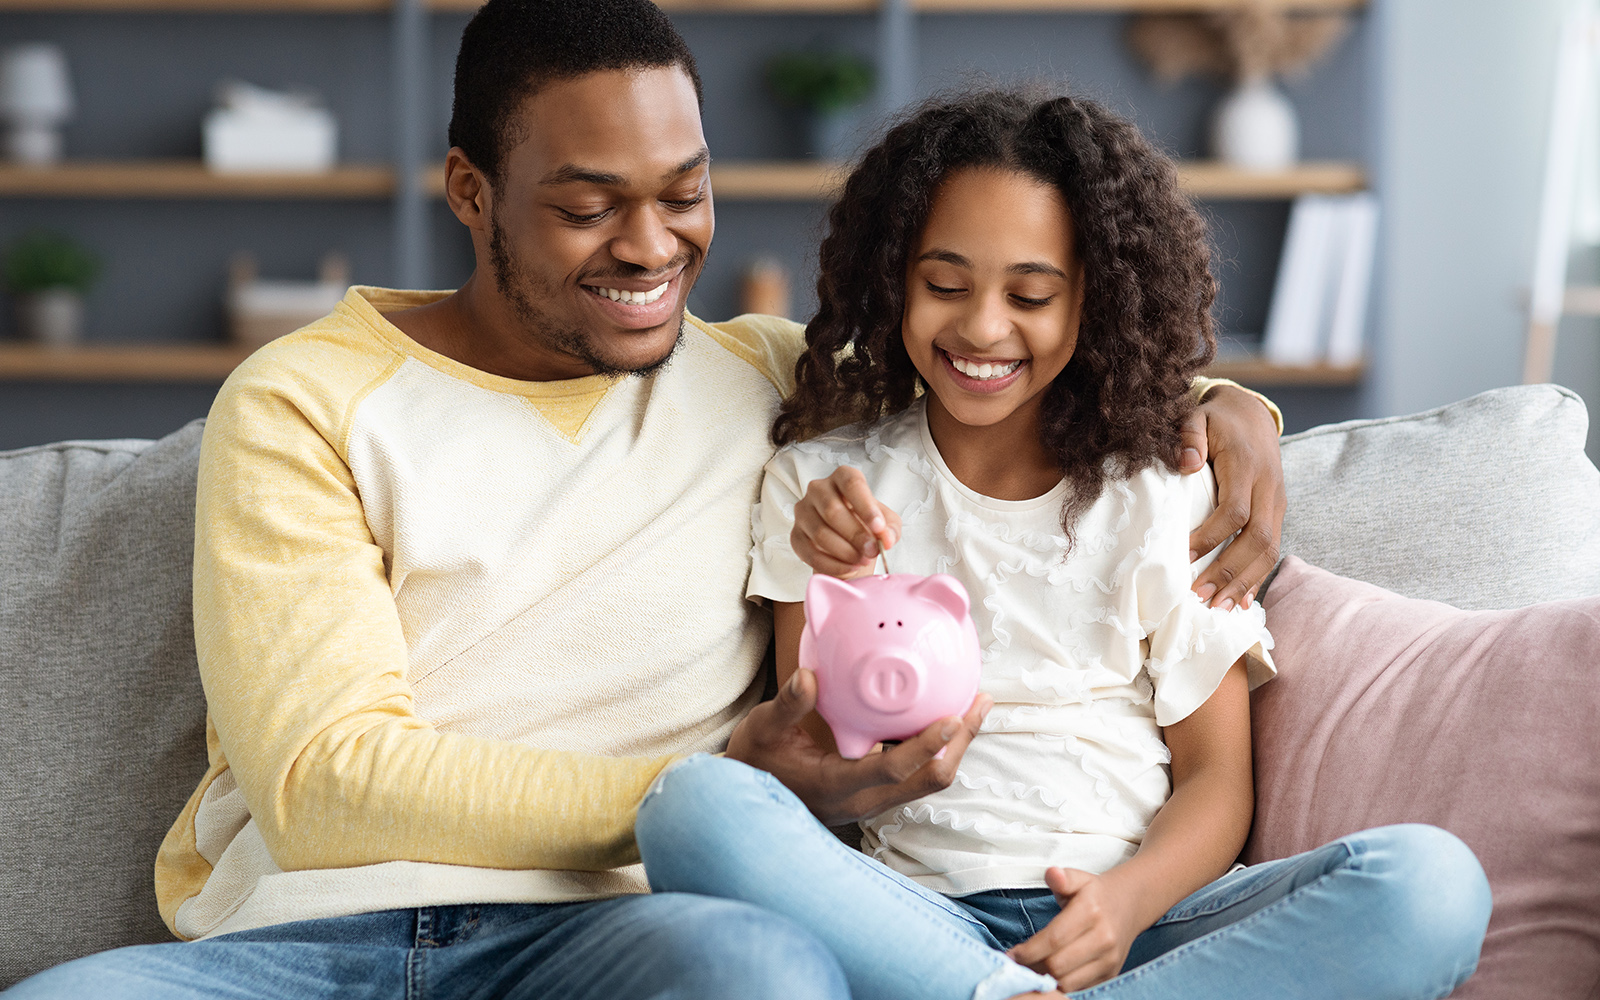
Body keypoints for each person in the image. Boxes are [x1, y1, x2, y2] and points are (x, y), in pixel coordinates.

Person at [3, 5, 1289, 999]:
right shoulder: (302, 401)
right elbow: (323, 782)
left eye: (684, 195)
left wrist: (1224, 405)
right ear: (470, 193)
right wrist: (722, 780)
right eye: (586, 206)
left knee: (762, 973)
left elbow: (999, 363)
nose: (651, 247)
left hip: (626, 931)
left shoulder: (761, 374)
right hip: (305, 940)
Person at [634, 90, 1493, 1000]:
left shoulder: (1165, 484)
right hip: (916, 920)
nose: (983, 327)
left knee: (1433, 886)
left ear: (1096, 300)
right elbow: (824, 769)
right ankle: (990, 988)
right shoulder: (823, 488)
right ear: (895, 279)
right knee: (692, 806)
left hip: (1145, 921)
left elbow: (1215, 783)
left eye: (1031, 295)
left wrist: (1120, 909)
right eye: (945, 285)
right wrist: (842, 584)